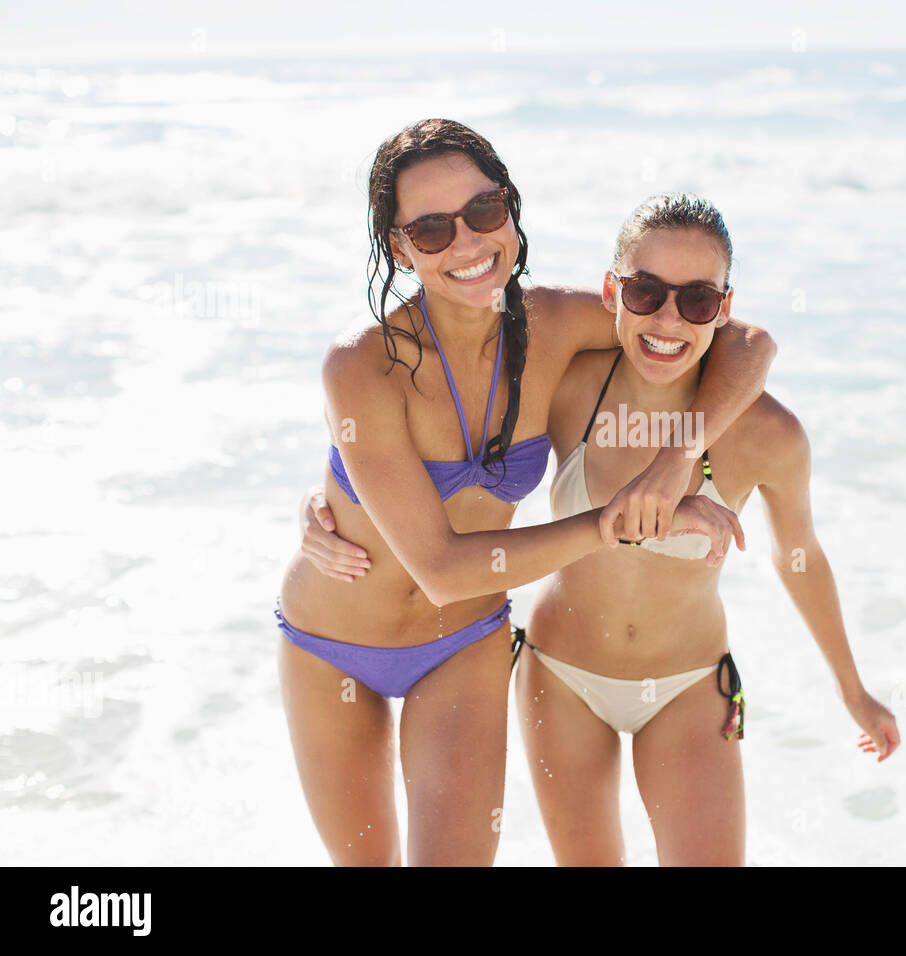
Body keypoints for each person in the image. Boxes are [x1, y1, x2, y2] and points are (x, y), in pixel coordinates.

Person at [306, 192, 900, 867]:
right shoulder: (567, 387)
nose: (669, 321)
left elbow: (801, 557)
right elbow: (431, 448)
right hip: (561, 678)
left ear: (724, 309)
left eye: (698, 301)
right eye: (646, 293)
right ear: (614, 291)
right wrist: (325, 505)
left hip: (689, 683)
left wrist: (853, 690)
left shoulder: (769, 434)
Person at [278, 119, 774, 866]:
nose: (469, 243)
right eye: (433, 229)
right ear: (399, 248)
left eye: (483, 212)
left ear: (509, 209)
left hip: (463, 642)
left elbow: (745, 342)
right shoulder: (361, 364)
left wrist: (679, 459)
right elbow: (440, 567)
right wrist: (619, 522)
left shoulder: (559, 324)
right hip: (332, 645)